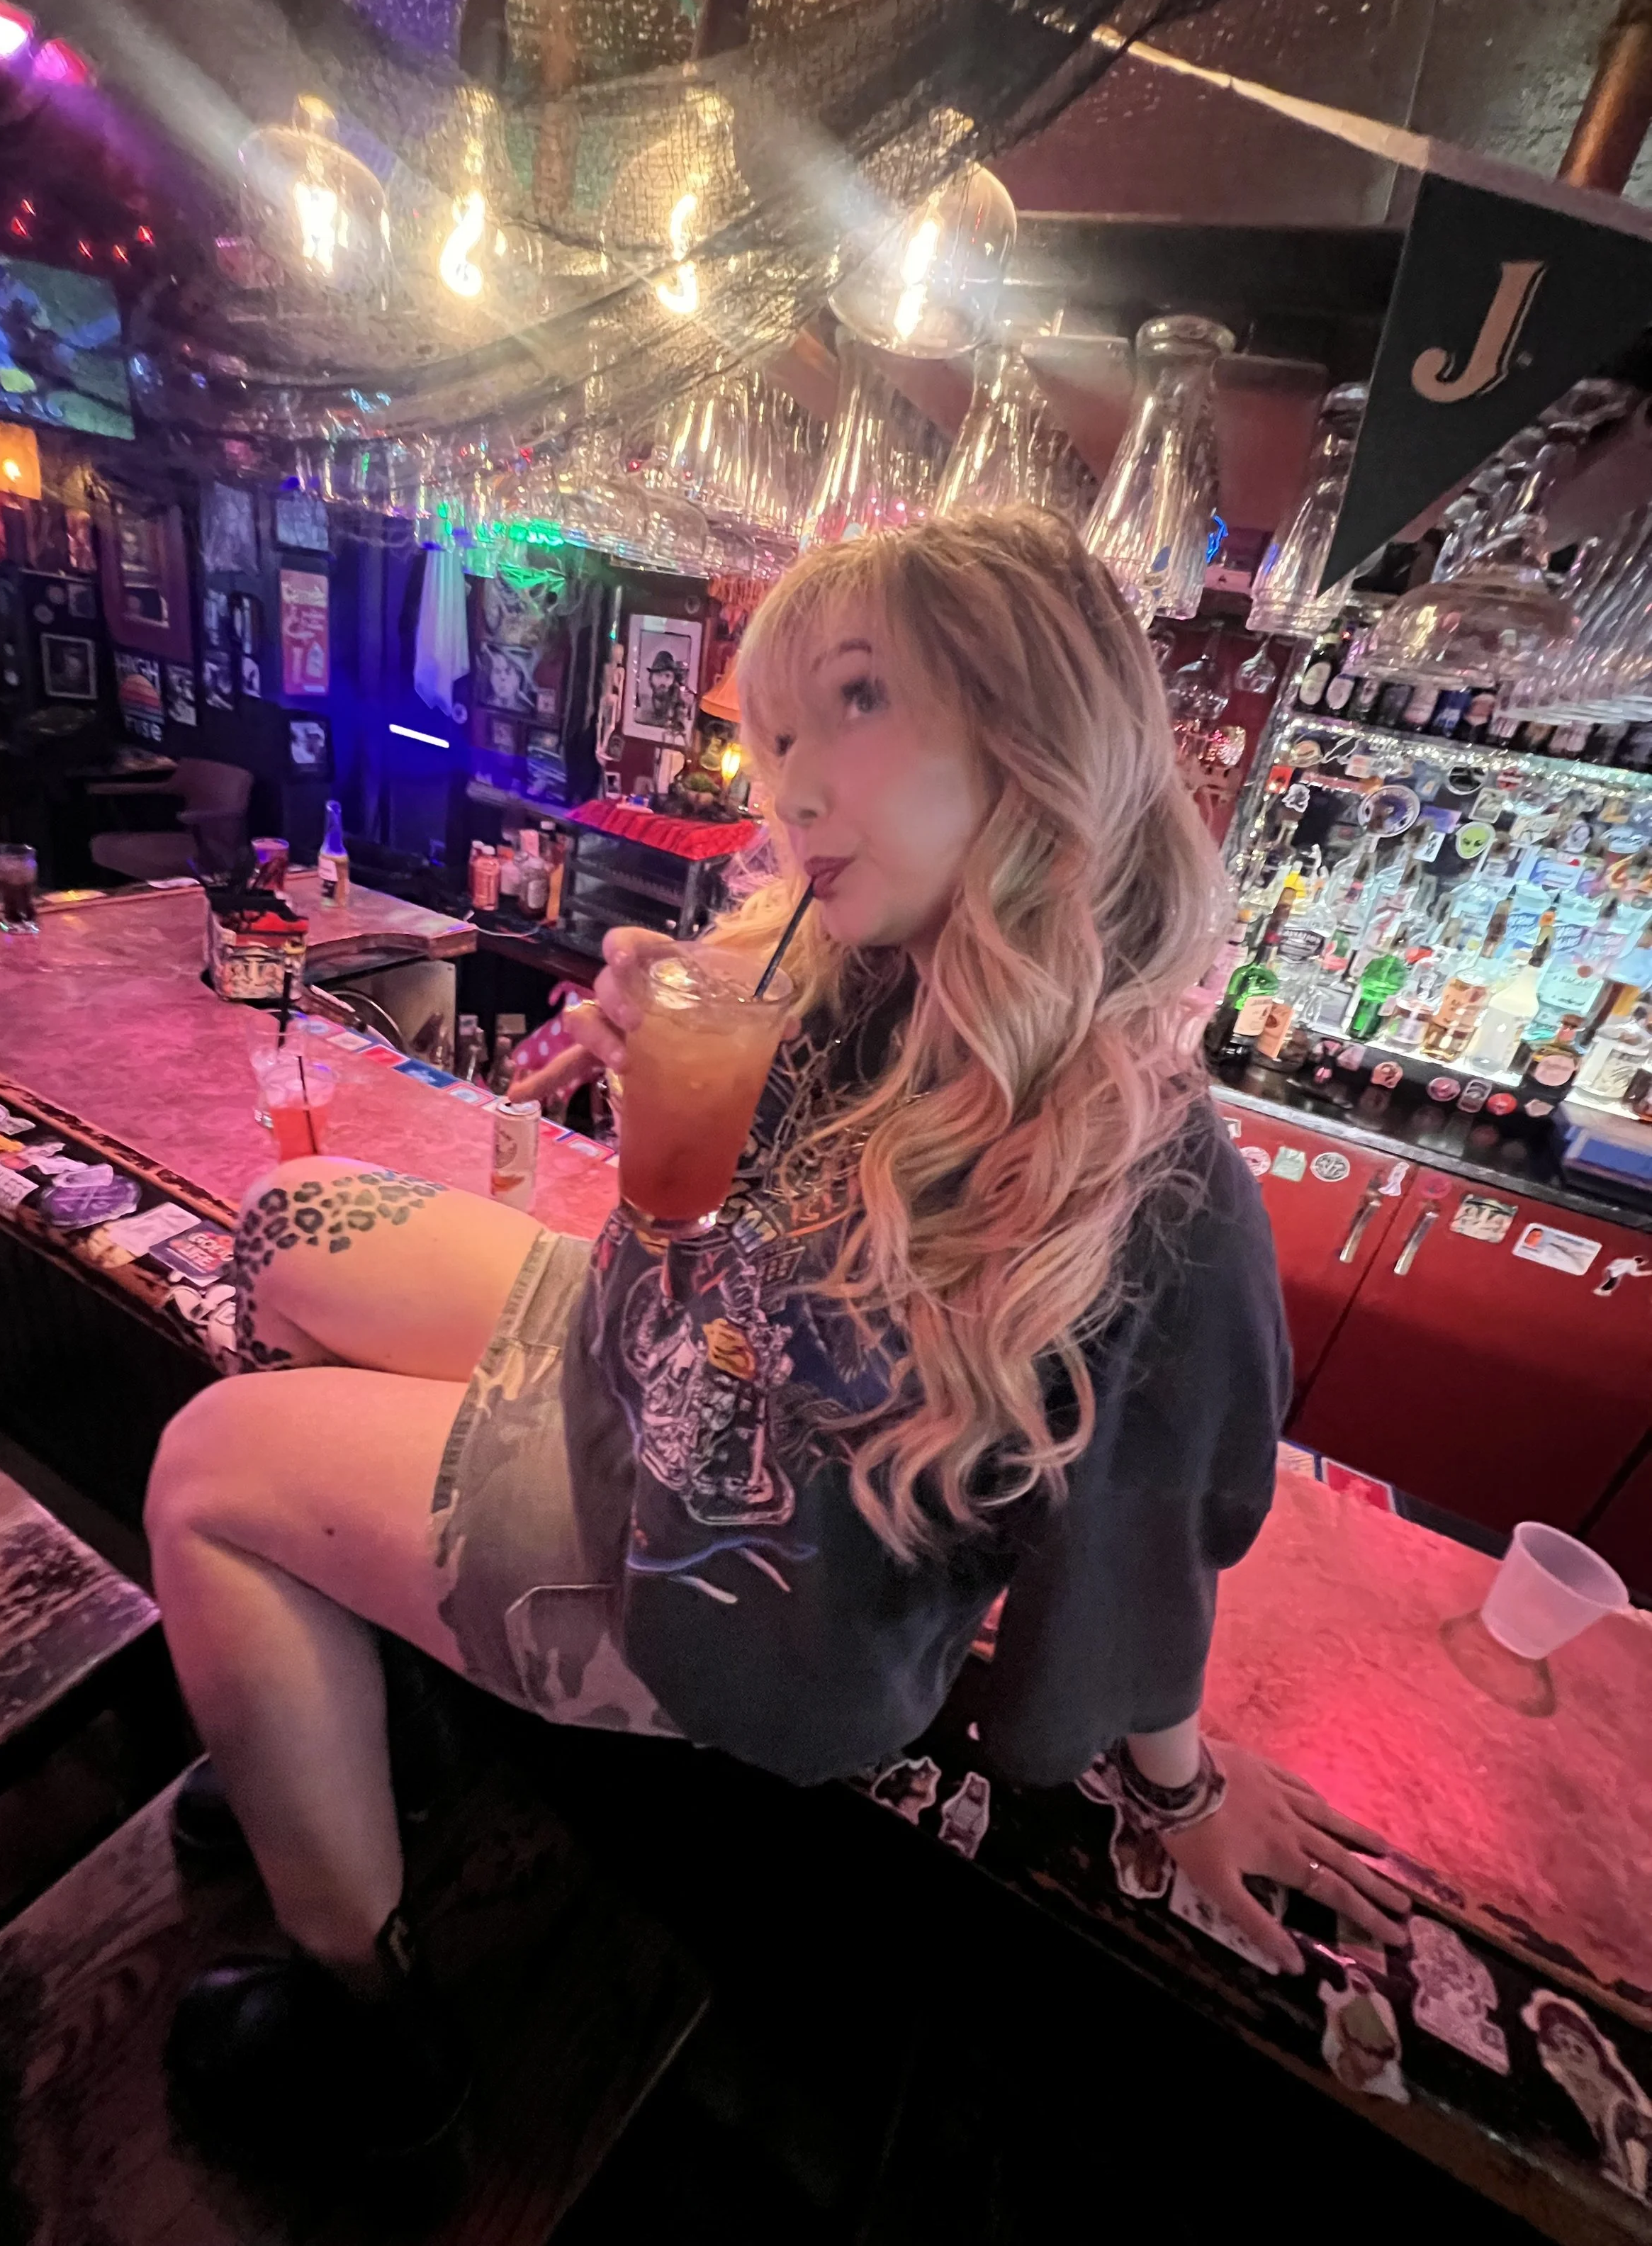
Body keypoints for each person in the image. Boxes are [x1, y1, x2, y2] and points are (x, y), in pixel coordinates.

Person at [145, 507, 1410, 2158]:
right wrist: (651, 1051)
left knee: (200, 1471)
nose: (787, 786)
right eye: (781, 731)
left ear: (1040, 733)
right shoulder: (841, 964)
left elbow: (1147, 1542)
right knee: (283, 1233)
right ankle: (356, 1685)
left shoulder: (1146, 1185)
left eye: (859, 702)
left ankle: (359, 1996)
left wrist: (1173, 1787)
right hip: (652, 1388)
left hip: (739, 1589)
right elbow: (713, 1257)